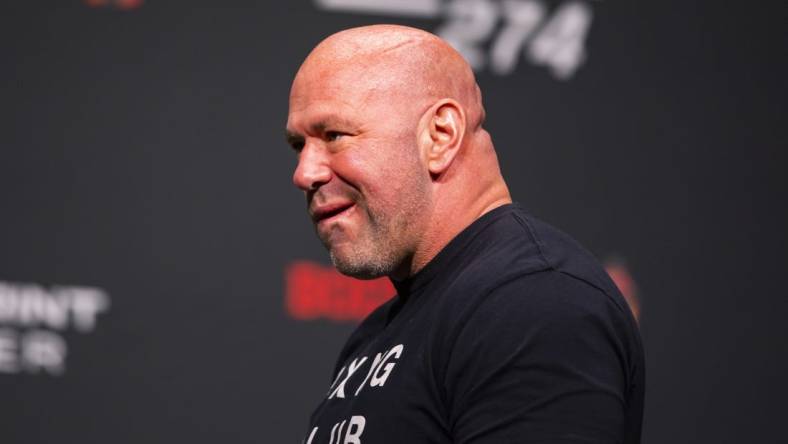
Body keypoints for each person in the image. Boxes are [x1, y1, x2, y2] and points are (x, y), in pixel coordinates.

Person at [286, 24, 644, 444]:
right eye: (299, 145)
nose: (304, 173)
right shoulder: (379, 332)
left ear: (440, 136)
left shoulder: (534, 302)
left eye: (334, 136)